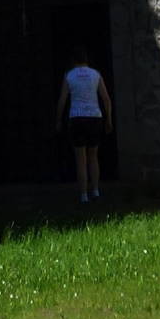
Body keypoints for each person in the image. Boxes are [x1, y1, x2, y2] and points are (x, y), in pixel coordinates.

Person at [54, 45, 112, 203]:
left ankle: (83, 195)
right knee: (93, 156)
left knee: (80, 158)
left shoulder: (69, 75)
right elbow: (106, 99)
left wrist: (58, 120)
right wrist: (109, 119)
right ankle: (96, 190)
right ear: (87, 59)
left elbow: (62, 100)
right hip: (94, 117)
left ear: (73, 60)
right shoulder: (96, 75)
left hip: (77, 117)